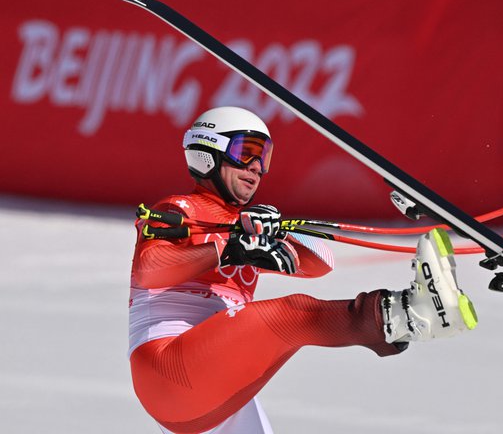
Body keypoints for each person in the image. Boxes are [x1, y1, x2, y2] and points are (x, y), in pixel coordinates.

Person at [128, 106, 478, 434]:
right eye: (245, 151)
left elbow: (320, 262)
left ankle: (406, 316)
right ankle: (405, 315)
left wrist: (275, 233)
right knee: (291, 315)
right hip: (167, 368)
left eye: (263, 157)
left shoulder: (239, 225)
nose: (255, 167)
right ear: (208, 153)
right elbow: (149, 270)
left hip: (207, 388)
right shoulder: (179, 208)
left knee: (288, 323)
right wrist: (231, 248)